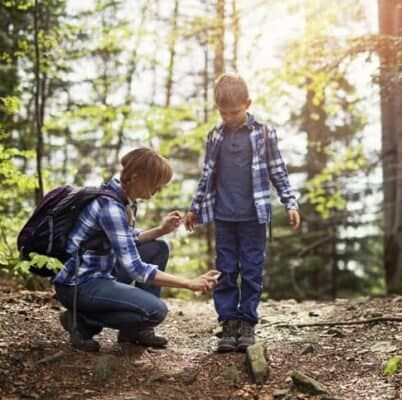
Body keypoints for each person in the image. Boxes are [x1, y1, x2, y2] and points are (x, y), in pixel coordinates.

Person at [53, 147, 219, 352]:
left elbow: (127, 240)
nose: (159, 188)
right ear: (136, 177)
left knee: (157, 248)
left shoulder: (125, 199)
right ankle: (82, 322)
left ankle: (134, 332)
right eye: (156, 183)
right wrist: (189, 283)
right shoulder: (111, 207)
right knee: (155, 311)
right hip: (79, 284)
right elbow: (136, 269)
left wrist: (161, 230)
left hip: (101, 273)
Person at [185, 72, 300, 352]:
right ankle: (228, 321)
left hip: (254, 217)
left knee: (251, 269)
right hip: (223, 216)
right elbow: (207, 175)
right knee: (225, 269)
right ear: (217, 109)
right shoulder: (215, 136)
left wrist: (290, 202)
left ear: (247, 104)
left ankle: (246, 320)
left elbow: (277, 170)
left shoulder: (263, 133)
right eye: (224, 113)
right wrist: (194, 208)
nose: (229, 117)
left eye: (234, 112)